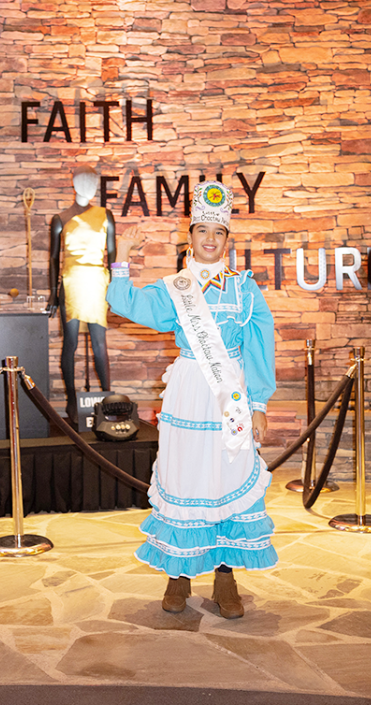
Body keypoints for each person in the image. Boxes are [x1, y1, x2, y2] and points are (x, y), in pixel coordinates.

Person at [106, 181, 277, 619]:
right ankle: (178, 575)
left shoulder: (244, 289)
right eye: (203, 230)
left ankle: (225, 577)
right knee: (186, 478)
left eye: (218, 233)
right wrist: (121, 259)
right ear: (191, 236)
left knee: (227, 476)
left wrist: (257, 404)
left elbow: (260, 348)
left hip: (230, 394)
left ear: (227, 240)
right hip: (187, 392)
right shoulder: (173, 288)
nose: (210, 239)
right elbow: (124, 302)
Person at [49, 165, 116, 423]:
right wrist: (54, 293)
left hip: (97, 282)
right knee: (71, 343)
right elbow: (54, 259)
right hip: (72, 282)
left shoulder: (105, 215)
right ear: (74, 184)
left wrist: (115, 289)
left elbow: (111, 256)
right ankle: (71, 401)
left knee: (100, 345)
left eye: (93, 183)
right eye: (84, 182)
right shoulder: (61, 218)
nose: (89, 187)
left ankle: (108, 398)